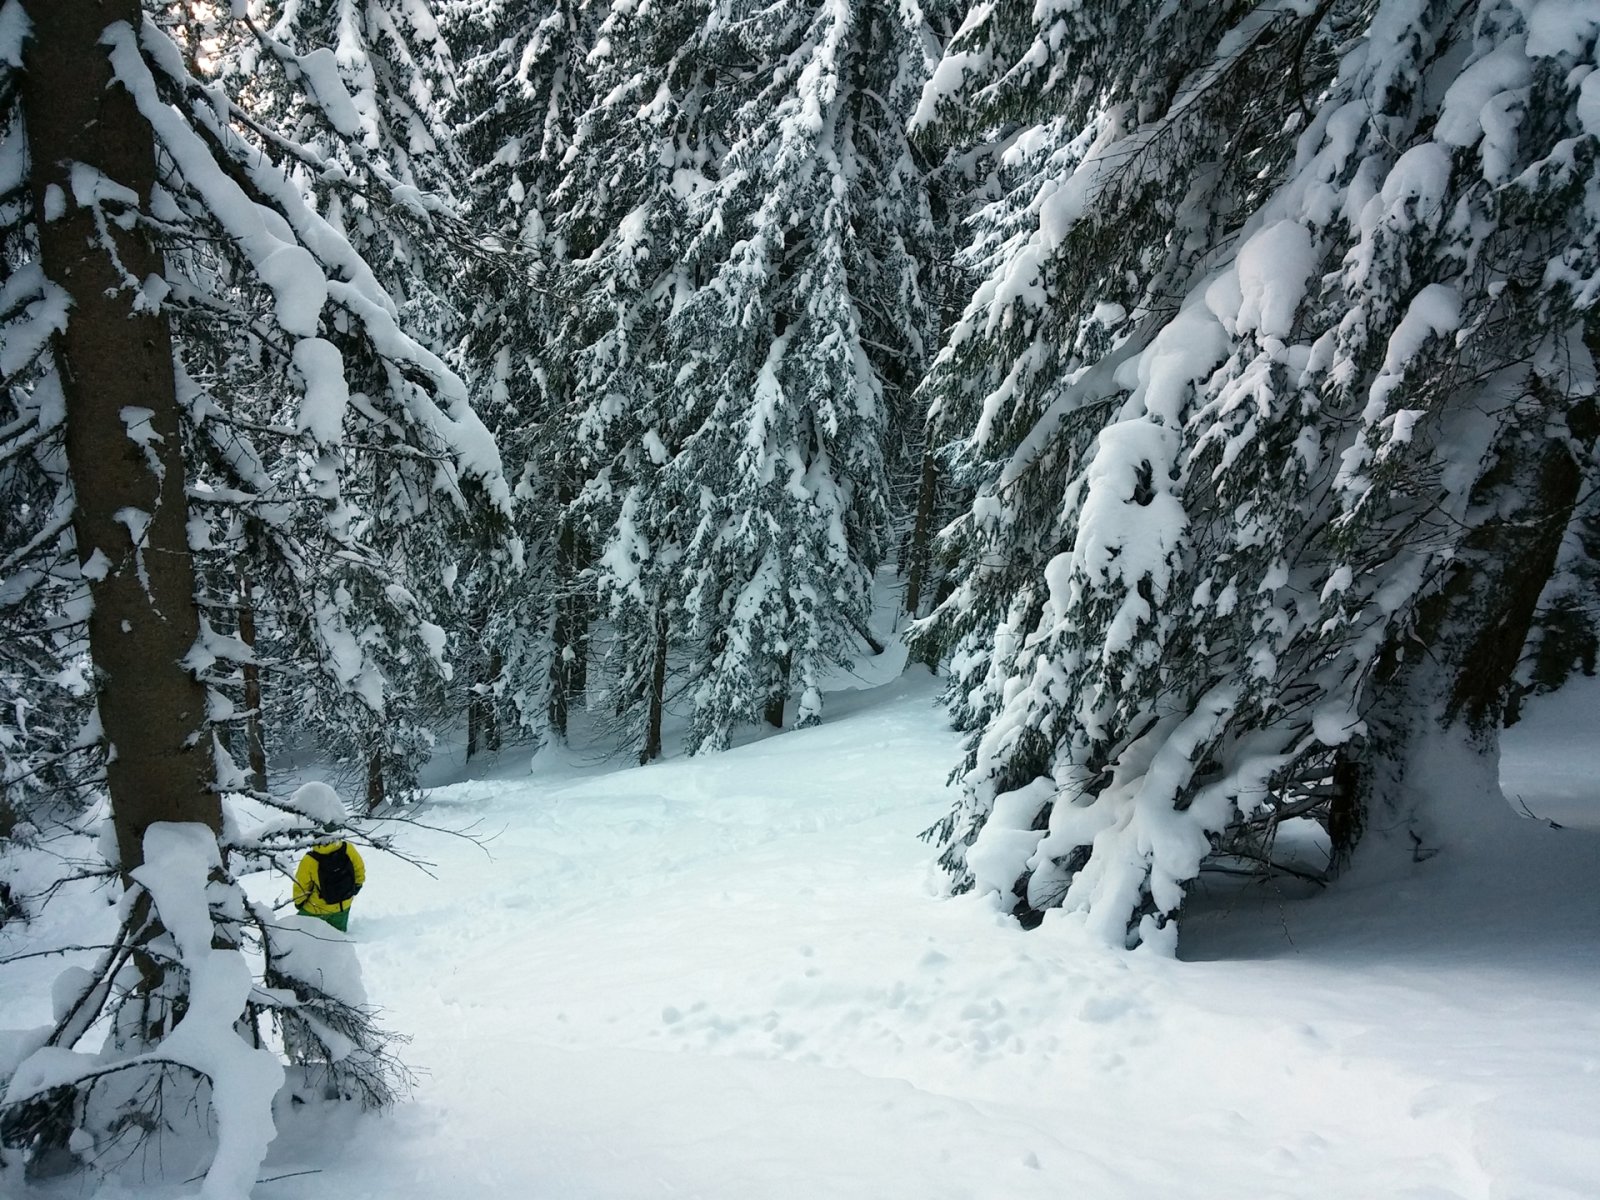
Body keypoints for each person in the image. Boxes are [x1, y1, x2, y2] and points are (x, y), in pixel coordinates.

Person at [293, 834, 365, 931]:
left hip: (316, 909)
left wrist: (298, 903)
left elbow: (301, 886)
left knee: (297, 931)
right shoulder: (347, 848)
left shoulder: (309, 860)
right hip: (343, 906)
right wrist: (357, 886)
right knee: (338, 937)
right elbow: (359, 869)